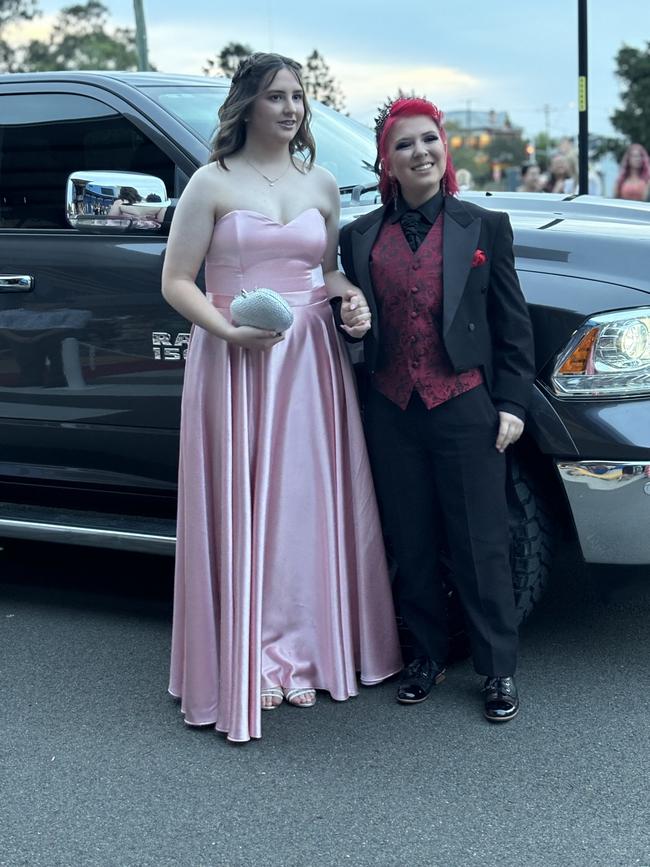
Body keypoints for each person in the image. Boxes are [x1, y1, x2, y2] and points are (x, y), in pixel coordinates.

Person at [161, 53, 401, 743]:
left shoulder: (322, 183)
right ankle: (255, 657)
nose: (292, 108)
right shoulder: (210, 183)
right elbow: (177, 281)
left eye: (299, 96)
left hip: (310, 362)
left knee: (302, 506)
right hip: (234, 355)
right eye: (276, 97)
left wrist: (350, 300)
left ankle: (308, 650)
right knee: (244, 502)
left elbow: (324, 272)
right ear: (247, 106)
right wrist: (227, 330)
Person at [337, 97, 535, 722]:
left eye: (430, 140)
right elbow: (355, 326)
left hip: (465, 404)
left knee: (483, 542)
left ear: (444, 149)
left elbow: (513, 324)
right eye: (405, 144)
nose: (420, 152)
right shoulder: (358, 236)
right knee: (411, 540)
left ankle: (498, 668)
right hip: (391, 407)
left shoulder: (485, 227)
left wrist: (512, 403)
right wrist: (351, 325)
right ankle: (423, 656)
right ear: (387, 161)